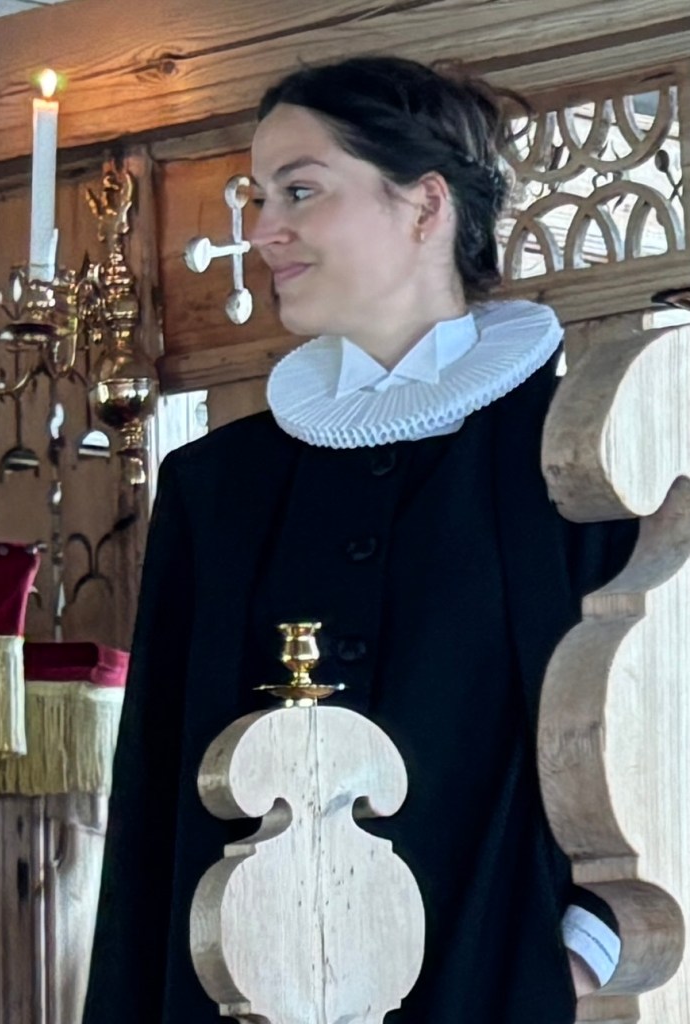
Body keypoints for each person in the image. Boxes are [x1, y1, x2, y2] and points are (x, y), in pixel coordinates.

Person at [82, 56, 638, 1024]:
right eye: (259, 197)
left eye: (300, 190)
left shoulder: (588, 455)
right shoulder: (213, 487)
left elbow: (661, 730)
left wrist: (585, 955)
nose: (263, 229)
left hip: (500, 982)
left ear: (425, 205)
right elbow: (151, 810)